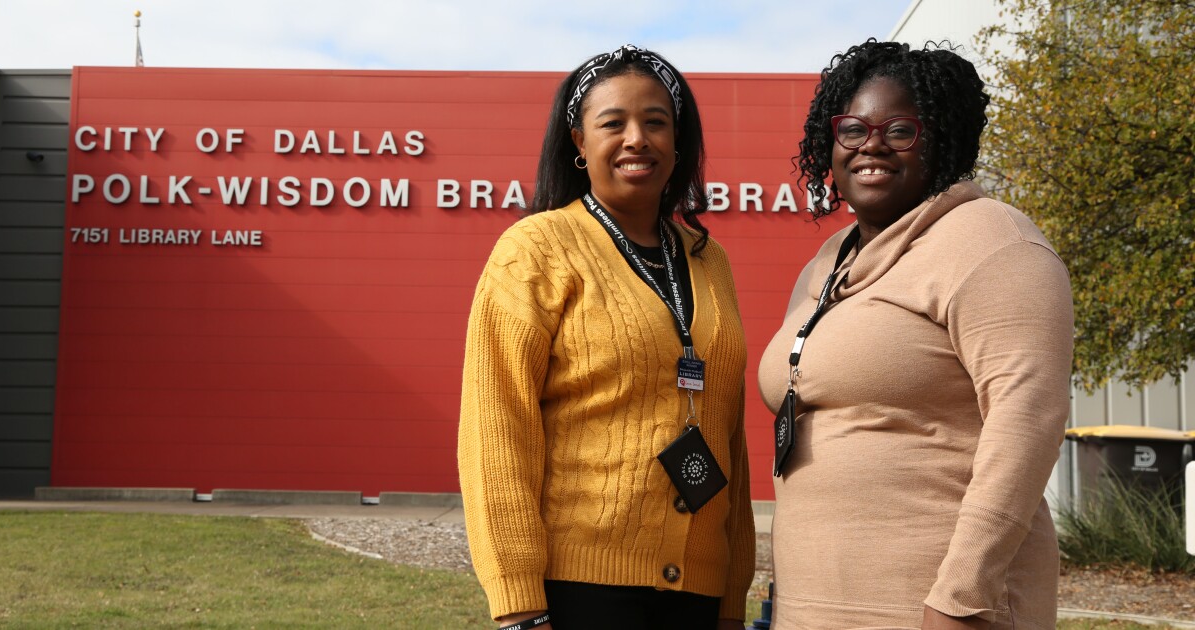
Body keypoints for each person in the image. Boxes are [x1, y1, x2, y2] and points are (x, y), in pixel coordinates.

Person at [758, 40, 1073, 630]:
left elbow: (1027, 418)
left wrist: (962, 593)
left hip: (939, 608)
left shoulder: (994, 242)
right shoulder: (826, 264)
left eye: (900, 129)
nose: (870, 145)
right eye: (853, 129)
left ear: (943, 140)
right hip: (815, 607)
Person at [458, 44, 754, 630]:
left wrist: (730, 593)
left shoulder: (707, 260)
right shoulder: (536, 249)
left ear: (679, 140)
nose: (637, 139)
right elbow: (497, 427)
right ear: (578, 141)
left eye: (656, 122)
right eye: (612, 123)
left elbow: (728, 433)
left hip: (698, 591)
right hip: (579, 590)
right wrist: (519, 603)